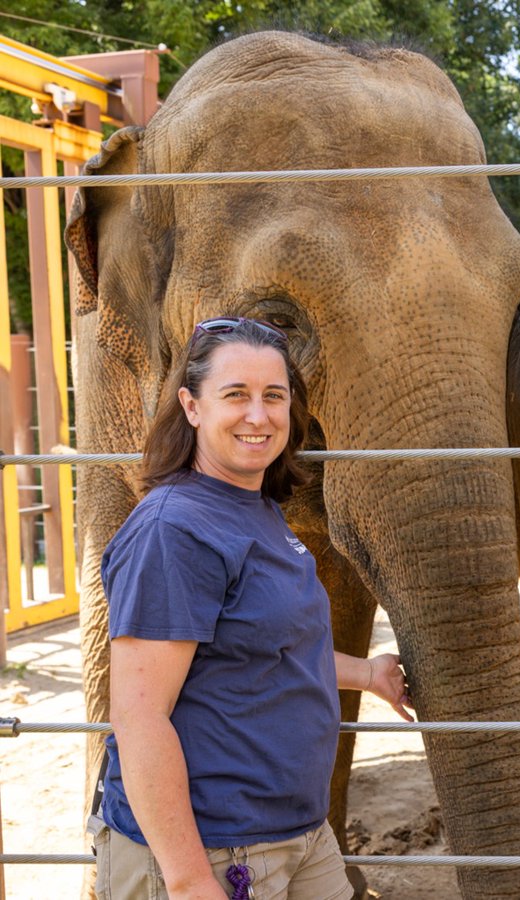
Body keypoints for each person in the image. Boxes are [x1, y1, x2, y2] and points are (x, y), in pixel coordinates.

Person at [89, 317, 414, 900]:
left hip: (300, 837)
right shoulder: (175, 530)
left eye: (274, 396)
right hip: (215, 853)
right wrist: (189, 882)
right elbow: (139, 718)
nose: (258, 415)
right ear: (191, 406)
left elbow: (265, 645)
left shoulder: (254, 507)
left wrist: (367, 675)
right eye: (235, 395)